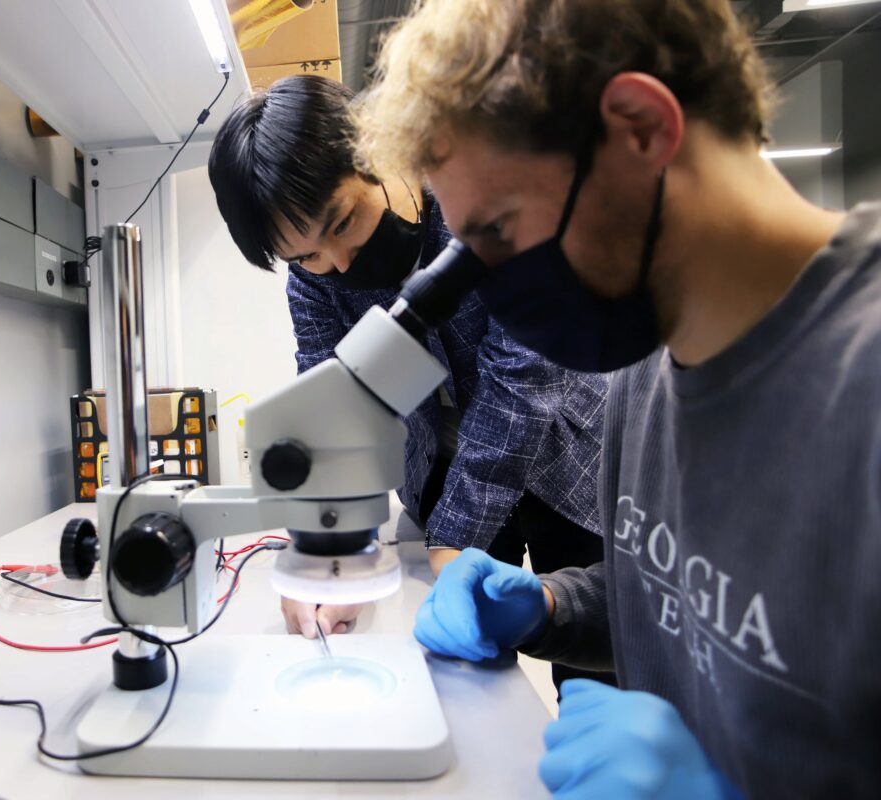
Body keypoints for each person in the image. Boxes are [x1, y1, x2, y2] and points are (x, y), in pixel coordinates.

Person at [356, 0, 881, 797]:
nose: (494, 292)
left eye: (499, 231)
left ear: (639, 128)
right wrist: (550, 605)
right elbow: (695, 606)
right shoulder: (642, 363)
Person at [208, 74, 615, 694]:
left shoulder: (484, 206)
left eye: (342, 222)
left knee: (591, 662)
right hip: (444, 474)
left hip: (564, 459)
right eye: (307, 255)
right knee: (468, 675)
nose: (338, 265)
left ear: (379, 151)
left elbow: (520, 387)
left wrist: (450, 540)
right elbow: (336, 412)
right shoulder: (314, 282)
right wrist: (330, 555)